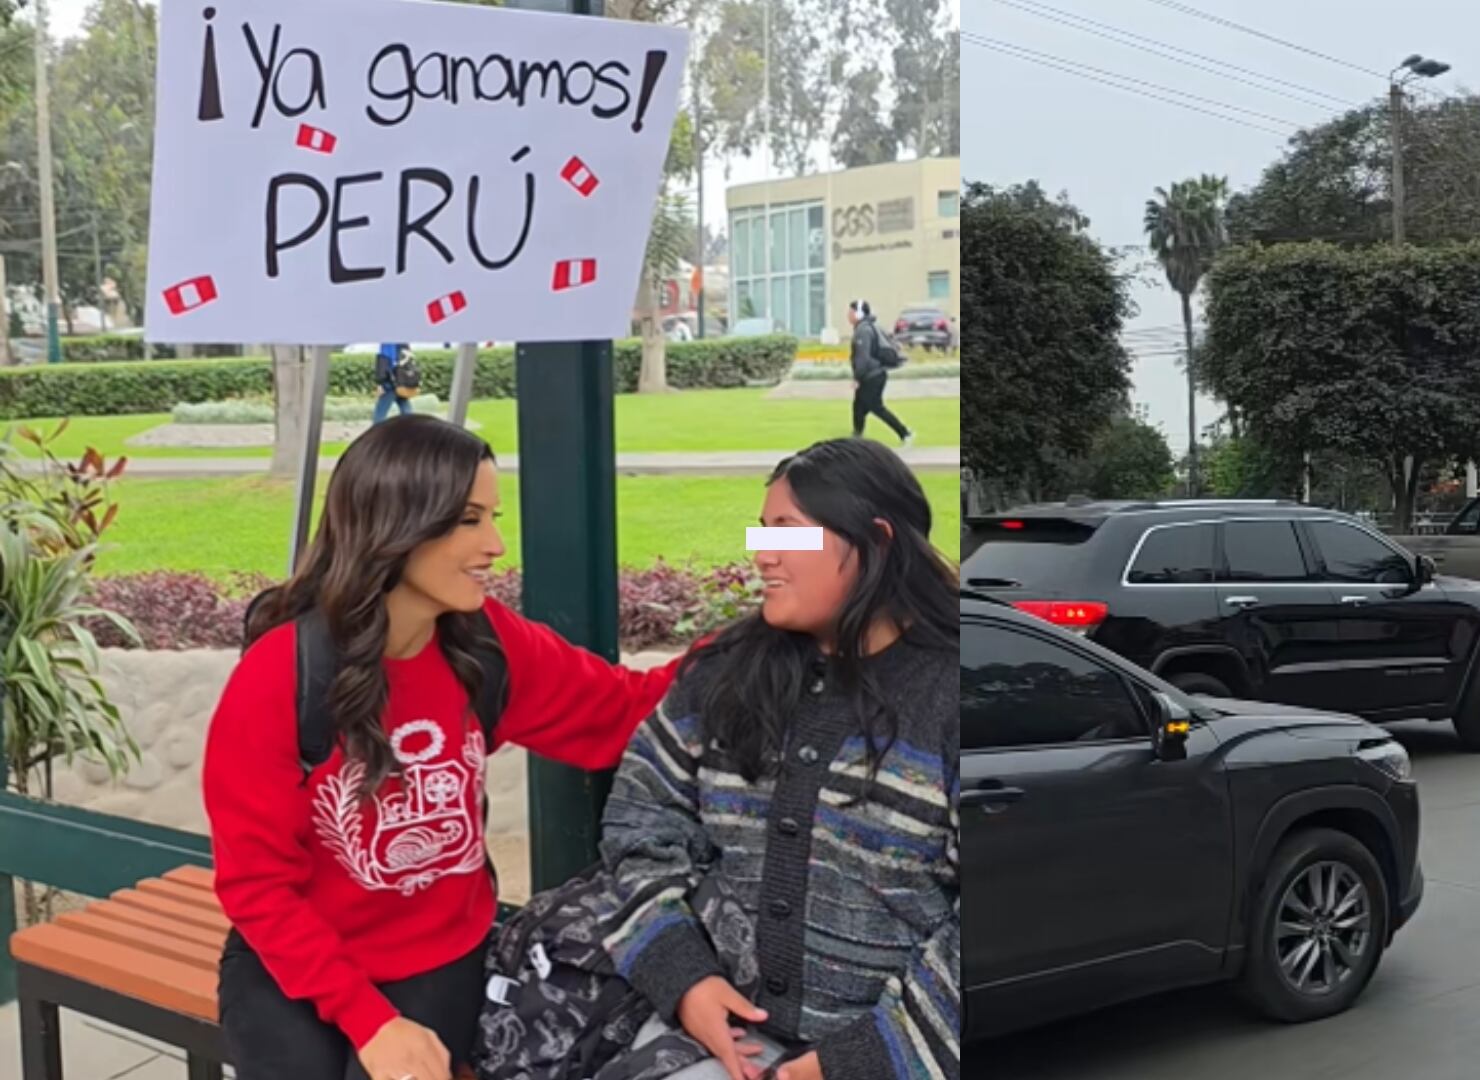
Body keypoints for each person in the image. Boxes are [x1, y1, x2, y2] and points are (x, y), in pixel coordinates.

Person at [204, 415, 686, 1080]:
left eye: (492, 516)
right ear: (396, 525)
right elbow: (256, 886)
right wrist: (366, 1019)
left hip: (440, 958)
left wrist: (761, 637)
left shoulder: (484, 645)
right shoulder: (281, 675)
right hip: (296, 960)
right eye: (468, 519)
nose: (495, 543)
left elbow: (624, 708)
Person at [594, 437, 957, 1080]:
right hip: (716, 1043)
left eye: (787, 533)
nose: (761, 556)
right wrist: (685, 981)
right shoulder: (721, 678)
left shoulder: (951, 700)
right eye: (760, 532)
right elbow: (639, 825)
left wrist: (862, 1060)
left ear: (874, 540)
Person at [847, 301, 913, 448]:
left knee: (876, 407)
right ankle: (857, 439)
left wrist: (857, 378)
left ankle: (904, 432)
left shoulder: (863, 331)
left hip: (872, 376)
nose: (848, 315)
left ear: (858, 314)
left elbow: (863, 358)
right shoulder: (868, 328)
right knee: (858, 407)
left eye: (850, 312)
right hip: (874, 374)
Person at [373, 343, 413, 424]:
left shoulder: (387, 344)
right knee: (406, 409)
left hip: (389, 382)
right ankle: (412, 430)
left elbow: (383, 363)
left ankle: (378, 433)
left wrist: (380, 383)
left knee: (380, 414)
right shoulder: (404, 344)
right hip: (402, 382)